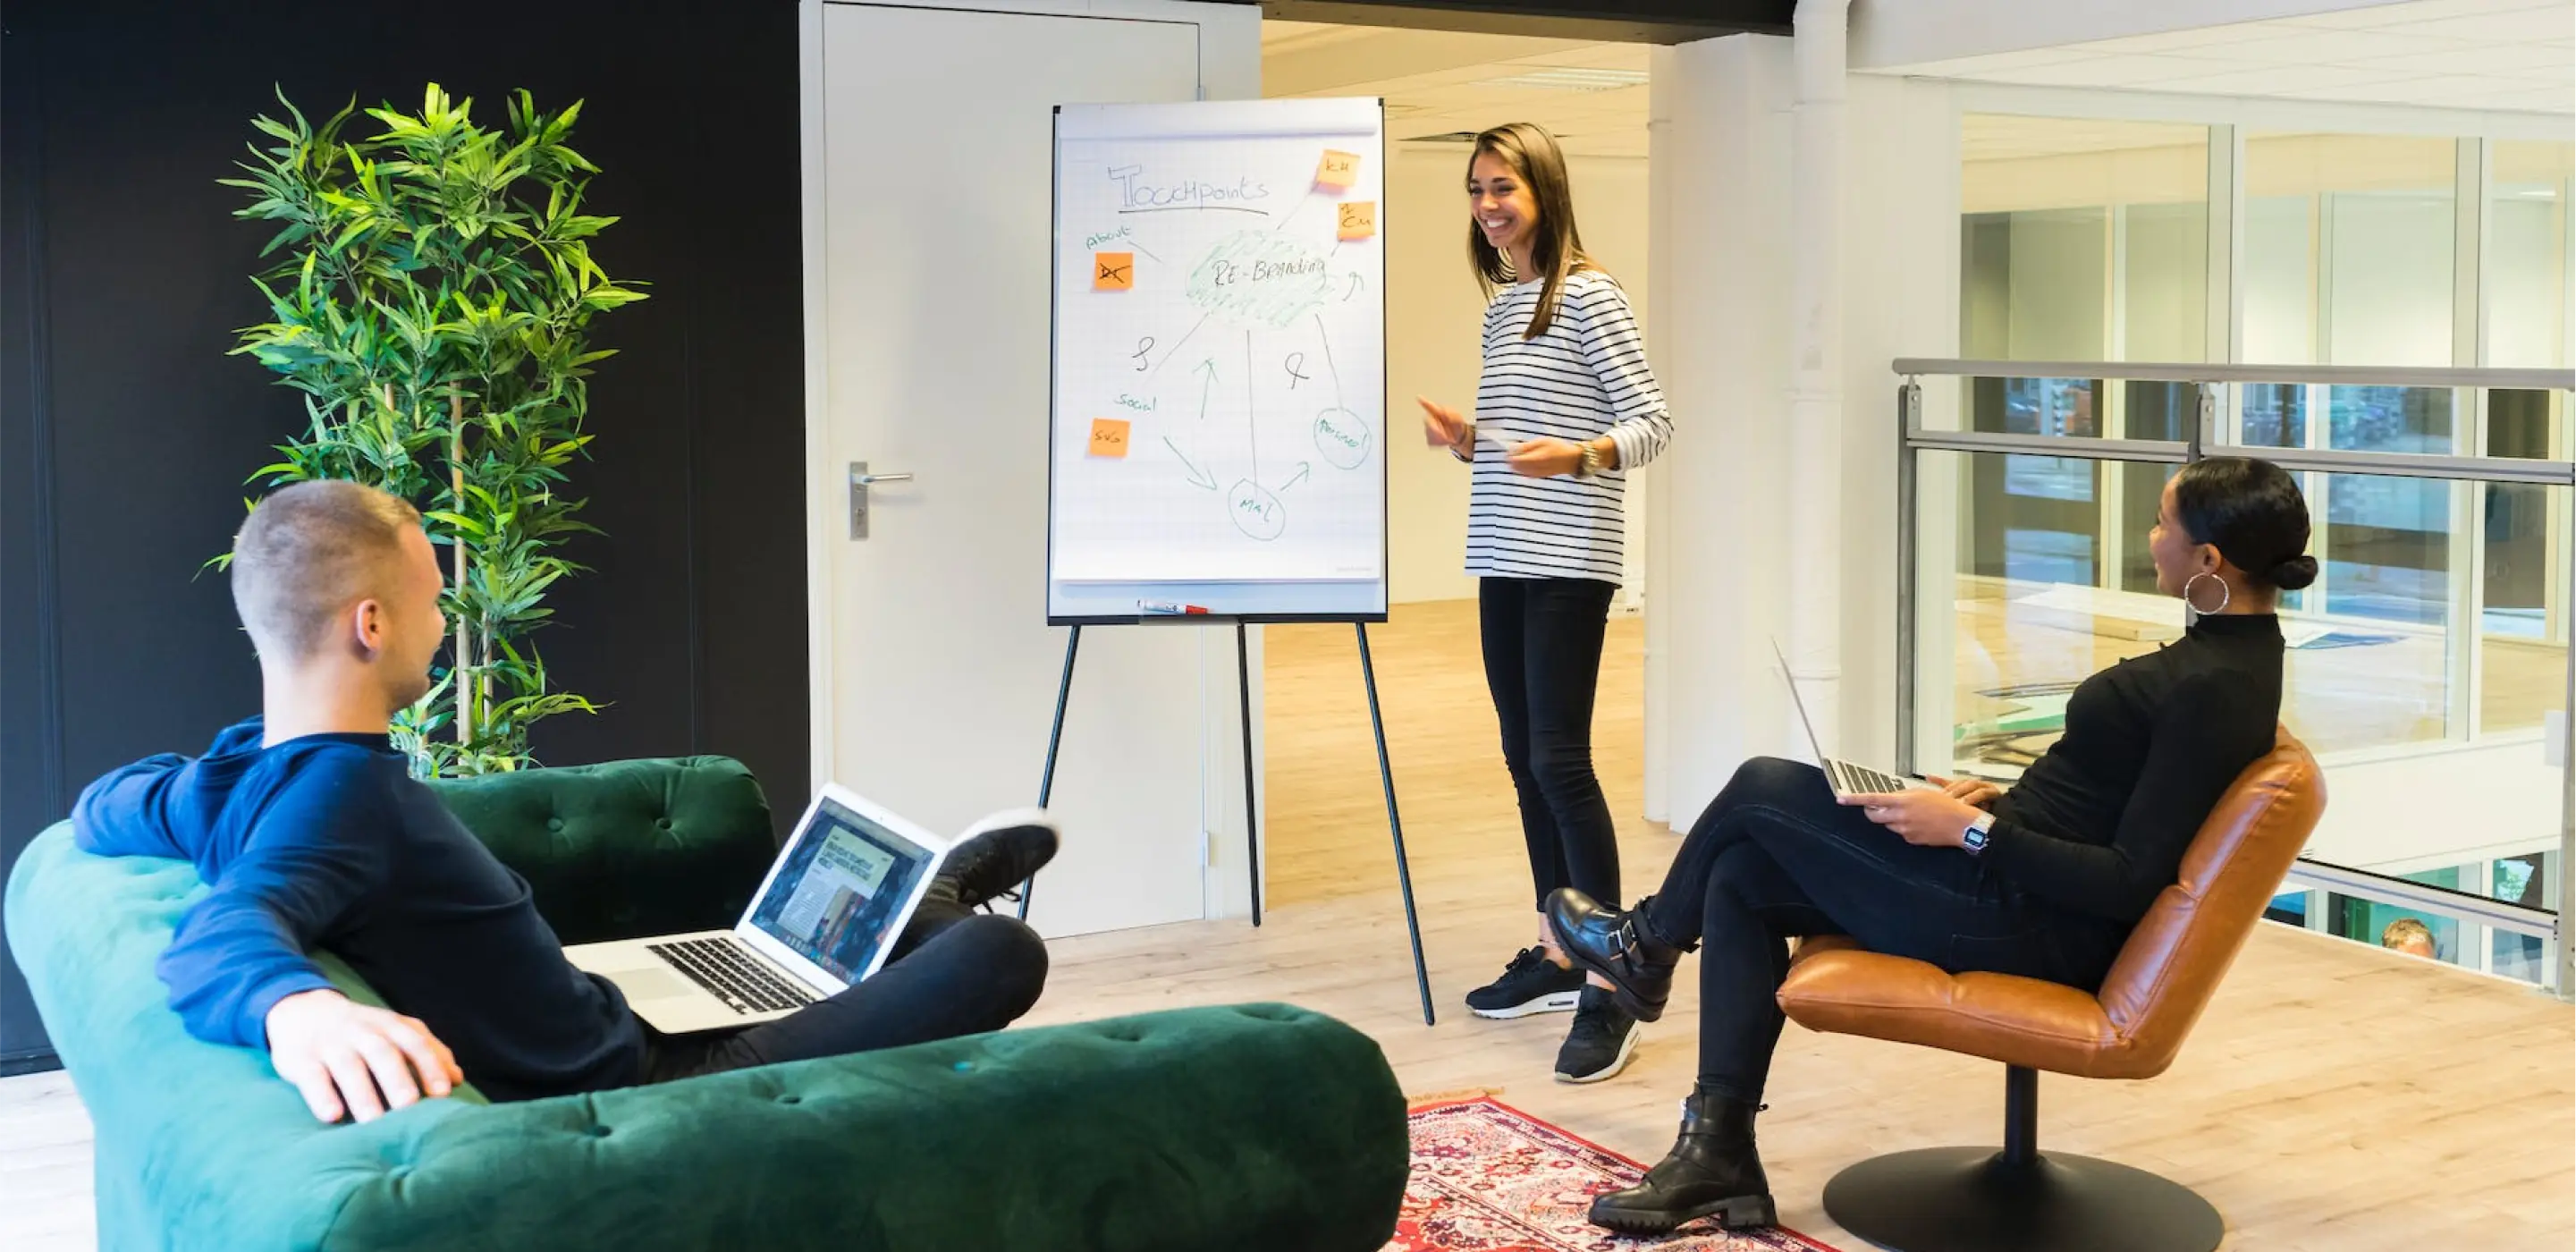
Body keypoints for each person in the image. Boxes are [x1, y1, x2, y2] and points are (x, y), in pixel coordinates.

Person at [73, 480, 1060, 1124]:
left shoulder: (245, 769)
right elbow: (219, 932)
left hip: (619, 1016)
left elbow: (101, 804)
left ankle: (914, 902)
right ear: (370, 623)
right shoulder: (339, 799)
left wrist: (198, 780)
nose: (443, 622)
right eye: (432, 601)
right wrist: (297, 1010)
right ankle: (930, 903)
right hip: (650, 1092)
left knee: (783, 950)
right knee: (1003, 952)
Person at [1543, 456, 2314, 1235]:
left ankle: (1641, 948)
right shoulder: (2230, 662)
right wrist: (1989, 803)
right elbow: (2111, 805)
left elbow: (2125, 880)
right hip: (2008, 880)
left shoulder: (2213, 686)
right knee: (1742, 871)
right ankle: (1718, 1153)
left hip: (2028, 921)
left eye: (2160, 522)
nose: (2149, 539)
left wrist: (1972, 832)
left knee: (1762, 784)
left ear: (2209, 560)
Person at [1417, 122, 1673, 1084]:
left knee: (1560, 760)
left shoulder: (1589, 294)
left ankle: (1615, 977)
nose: (1487, 207)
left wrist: (1582, 453)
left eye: (1503, 189)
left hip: (1570, 556)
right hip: (1504, 551)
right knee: (1522, 759)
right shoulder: (1505, 304)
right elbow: (1531, 435)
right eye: (1477, 190)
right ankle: (1561, 947)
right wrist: (1473, 439)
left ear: (1545, 192)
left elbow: (1652, 420)